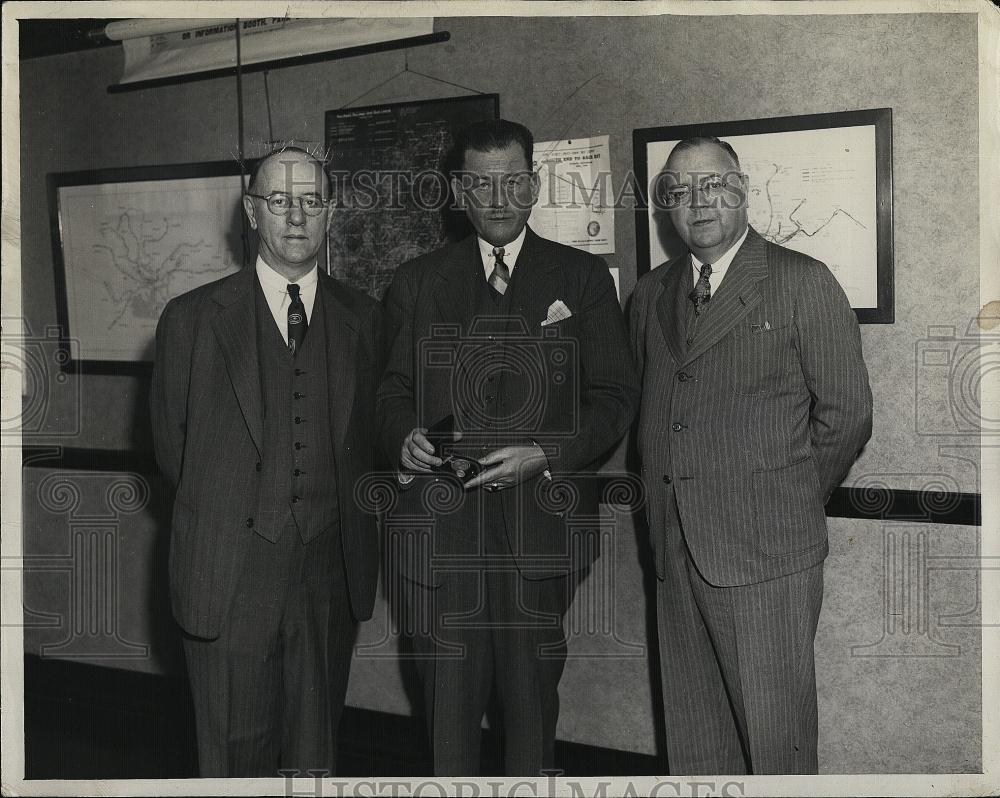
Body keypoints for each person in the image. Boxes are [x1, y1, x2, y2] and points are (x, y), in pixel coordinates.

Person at [377, 119, 639, 775]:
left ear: (534, 186)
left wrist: (544, 453)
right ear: (459, 191)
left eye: (512, 182)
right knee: (447, 719)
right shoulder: (416, 281)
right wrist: (399, 435)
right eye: (482, 183)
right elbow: (387, 392)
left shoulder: (581, 279)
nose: (498, 198)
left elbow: (612, 397)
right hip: (439, 538)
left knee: (530, 716)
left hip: (540, 538)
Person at [629, 136, 873, 775]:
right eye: (678, 192)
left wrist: (785, 499)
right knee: (695, 741)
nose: (696, 202)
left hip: (767, 553)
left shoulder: (801, 282)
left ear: (741, 189)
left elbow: (846, 415)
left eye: (712, 184)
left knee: (775, 742)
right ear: (665, 208)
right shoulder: (652, 293)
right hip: (675, 549)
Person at [150, 146, 382, 777]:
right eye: (279, 200)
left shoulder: (364, 319)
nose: (296, 215)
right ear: (252, 212)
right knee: (232, 764)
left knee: (314, 762)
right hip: (229, 576)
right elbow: (171, 449)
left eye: (311, 200)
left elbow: (371, 446)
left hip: (329, 576)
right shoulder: (192, 319)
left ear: (330, 213)